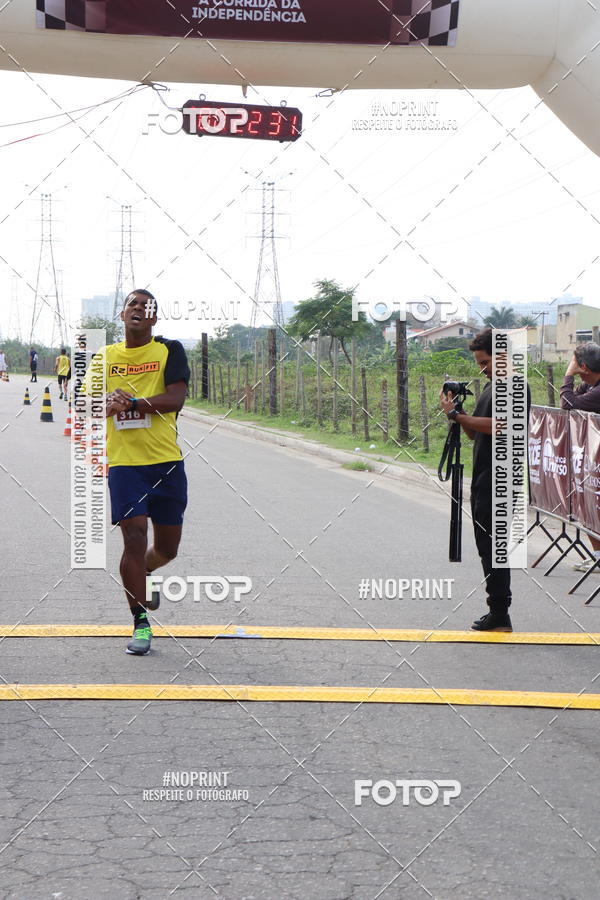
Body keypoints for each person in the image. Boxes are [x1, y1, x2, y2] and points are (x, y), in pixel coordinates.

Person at [88, 289, 190, 655]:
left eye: (147, 307)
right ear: (122, 314)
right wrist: (108, 406)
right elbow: (87, 407)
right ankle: (141, 623)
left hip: (165, 462)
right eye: (133, 303)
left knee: (166, 549)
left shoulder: (169, 351)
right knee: (133, 537)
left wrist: (132, 402)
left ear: (154, 319)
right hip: (126, 464)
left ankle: (145, 572)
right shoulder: (104, 358)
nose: (139, 310)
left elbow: (175, 400)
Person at [440, 328, 531, 632]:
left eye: (485, 362)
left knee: (495, 548)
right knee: (486, 547)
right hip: (483, 476)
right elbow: (475, 432)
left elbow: (502, 426)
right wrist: (458, 413)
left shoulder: (515, 386)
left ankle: (500, 612)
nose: (482, 368)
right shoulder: (491, 388)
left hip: (501, 478)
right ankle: (497, 611)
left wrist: (458, 417)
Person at [560, 342, 600, 572]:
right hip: (591, 460)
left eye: (575, 364)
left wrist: (568, 375)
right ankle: (597, 555)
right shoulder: (591, 385)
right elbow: (572, 400)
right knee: (588, 507)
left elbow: (567, 403)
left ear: (583, 366)